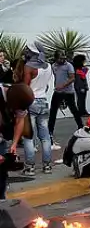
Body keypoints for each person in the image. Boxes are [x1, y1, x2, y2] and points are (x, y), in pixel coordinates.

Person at [22, 45, 54, 176]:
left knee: (29, 136)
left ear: (32, 52)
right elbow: (46, 86)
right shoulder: (48, 66)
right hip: (44, 102)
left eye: (27, 50)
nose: (26, 52)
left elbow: (25, 87)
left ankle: (30, 167)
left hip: (31, 102)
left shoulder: (29, 66)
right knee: (45, 136)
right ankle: (47, 166)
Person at [0, 84, 34, 199]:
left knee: (1, 173)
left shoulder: (17, 98)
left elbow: (20, 120)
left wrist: (14, 144)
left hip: (1, 139)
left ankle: (1, 202)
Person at [48, 51, 83, 142]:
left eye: (64, 58)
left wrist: (63, 85)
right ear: (56, 58)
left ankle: (81, 127)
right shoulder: (53, 66)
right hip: (57, 92)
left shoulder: (68, 66)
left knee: (74, 110)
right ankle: (50, 131)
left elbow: (72, 78)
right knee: (53, 111)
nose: (63, 59)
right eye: (60, 58)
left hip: (68, 92)